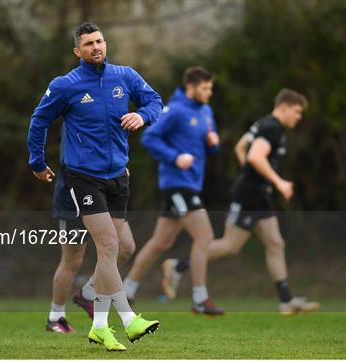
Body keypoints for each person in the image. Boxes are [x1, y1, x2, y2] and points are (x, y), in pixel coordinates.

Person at [28, 22, 162, 351]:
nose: (96, 47)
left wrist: (143, 116)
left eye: (99, 41)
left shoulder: (125, 76)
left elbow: (155, 101)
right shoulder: (66, 85)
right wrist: (37, 162)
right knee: (96, 251)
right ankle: (125, 319)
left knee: (116, 249)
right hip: (82, 179)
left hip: (117, 175)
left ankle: (99, 325)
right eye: (88, 44)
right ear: (78, 51)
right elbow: (39, 120)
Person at [160, 88, 320, 314]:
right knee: (229, 245)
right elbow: (255, 156)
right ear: (283, 107)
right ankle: (178, 266)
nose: (299, 117)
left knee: (275, 243)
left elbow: (241, 148)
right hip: (248, 195)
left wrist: (253, 173)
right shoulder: (272, 127)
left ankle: (286, 301)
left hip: (260, 195)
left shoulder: (264, 124)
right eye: (296, 111)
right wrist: (279, 182)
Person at [123, 67, 223, 316]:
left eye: (210, 88)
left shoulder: (206, 111)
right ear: (191, 87)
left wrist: (213, 144)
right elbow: (150, 138)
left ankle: (126, 291)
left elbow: (206, 146)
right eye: (204, 88)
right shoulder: (176, 110)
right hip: (178, 183)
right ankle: (200, 299)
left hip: (191, 182)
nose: (209, 92)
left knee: (161, 241)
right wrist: (175, 157)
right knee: (205, 236)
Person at [46, 124, 137, 333]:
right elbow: (71, 160)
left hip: (105, 193)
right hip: (74, 196)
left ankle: (88, 293)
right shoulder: (76, 118)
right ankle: (56, 316)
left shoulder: (107, 109)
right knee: (73, 259)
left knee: (125, 247)